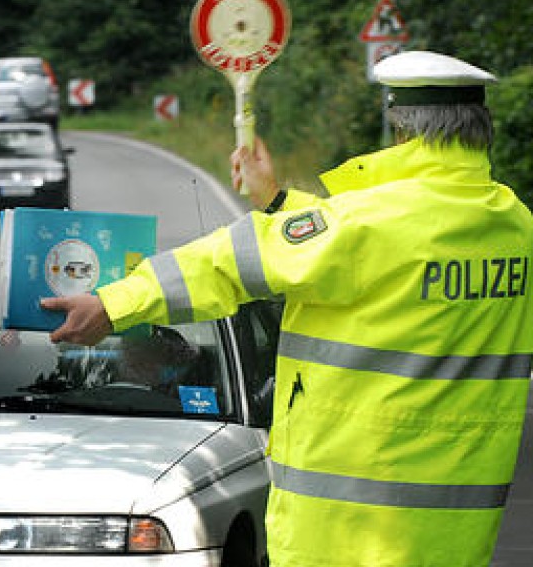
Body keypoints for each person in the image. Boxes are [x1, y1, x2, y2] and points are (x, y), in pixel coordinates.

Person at [41, 50, 533, 566]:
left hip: (352, 524)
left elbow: (226, 264)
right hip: (456, 522)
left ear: (404, 132)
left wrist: (112, 304)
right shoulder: (512, 223)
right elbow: (373, 253)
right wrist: (278, 202)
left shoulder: (371, 223)